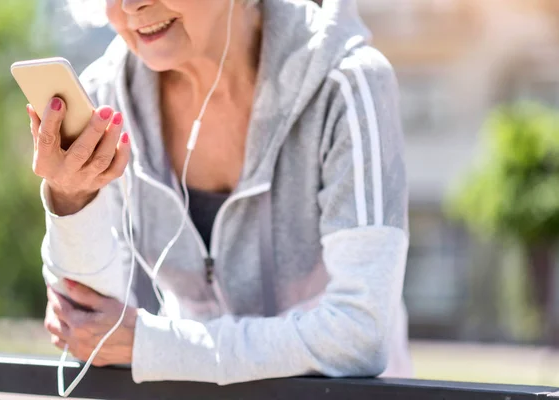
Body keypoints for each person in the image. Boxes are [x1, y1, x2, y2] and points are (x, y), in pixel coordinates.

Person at [30, 0, 412, 385]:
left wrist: (157, 346)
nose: (131, 5)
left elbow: (359, 333)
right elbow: (93, 328)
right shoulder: (107, 99)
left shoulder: (348, 84)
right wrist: (72, 202)